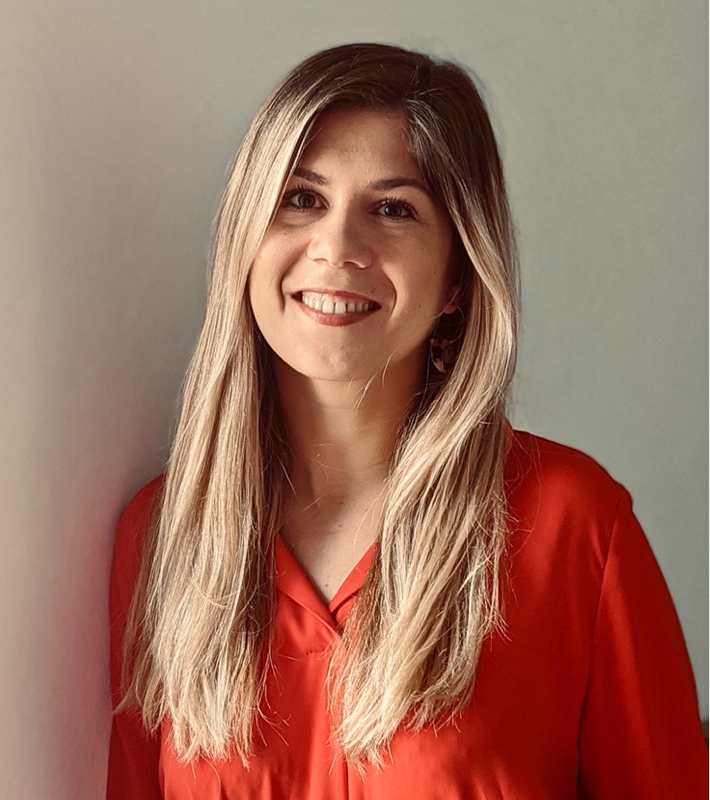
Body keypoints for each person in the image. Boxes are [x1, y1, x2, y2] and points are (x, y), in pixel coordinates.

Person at [106, 43, 706, 799]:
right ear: (245, 239)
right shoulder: (161, 538)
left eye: (393, 209)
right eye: (301, 198)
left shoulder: (575, 526)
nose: (337, 248)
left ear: (458, 277)